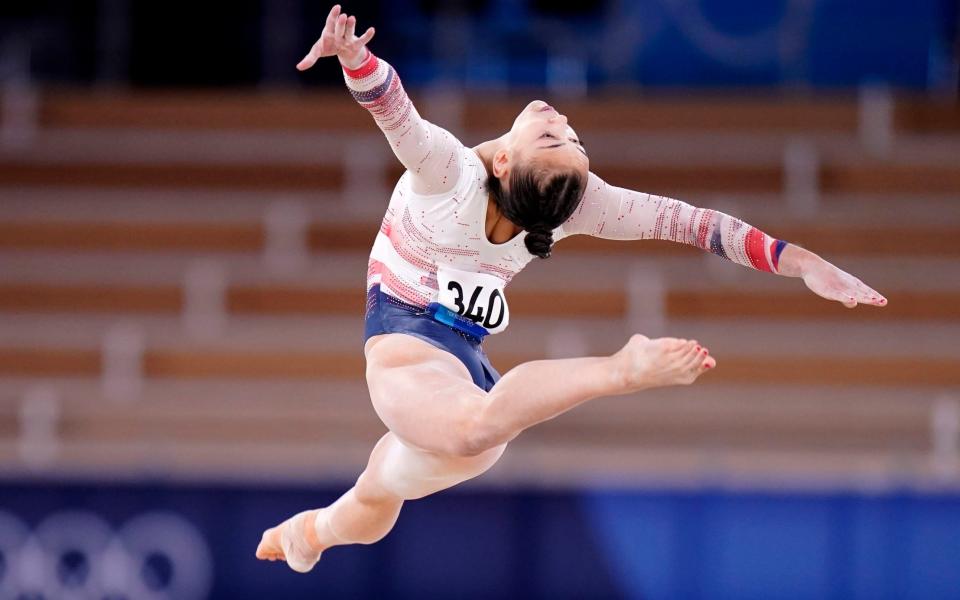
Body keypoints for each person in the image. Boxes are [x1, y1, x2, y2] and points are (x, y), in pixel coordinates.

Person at [256, 5, 887, 572]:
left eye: (562, 140)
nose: (564, 124)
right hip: (418, 363)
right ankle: (311, 536)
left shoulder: (476, 178)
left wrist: (799, 261)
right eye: (569, 140)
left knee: (409, 472)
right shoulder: (466, 176)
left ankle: (619, 371)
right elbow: (395, 113)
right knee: (395, 483)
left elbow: (696, 226)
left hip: (459, 368)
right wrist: (355, 59)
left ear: (505, 161)